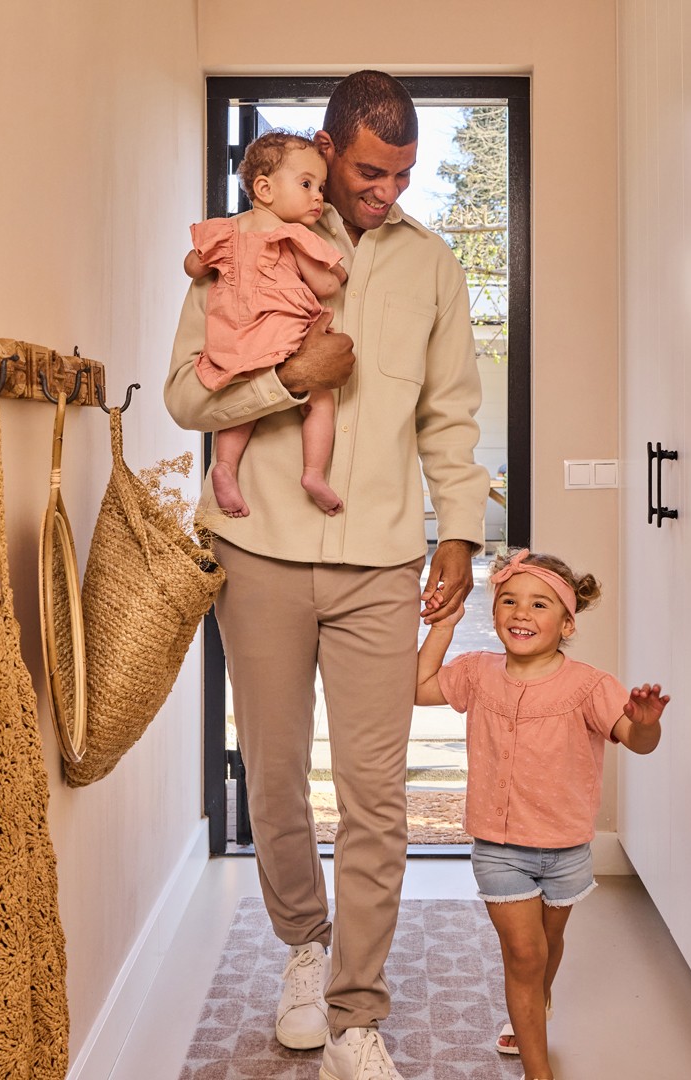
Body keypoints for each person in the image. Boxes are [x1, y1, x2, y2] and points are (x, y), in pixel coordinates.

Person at [164, 70, 491, 1080]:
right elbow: (184, 398)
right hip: (257, 552)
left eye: (403, 176)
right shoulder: (241, 245)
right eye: (368, 172)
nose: (385, 192)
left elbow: (450, 414)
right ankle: (304, 947)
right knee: (273, 779)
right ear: (326, 147)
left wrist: (459, 533)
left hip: (381, 562)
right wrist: (285, 381)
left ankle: (356, 1014)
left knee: (376, 795)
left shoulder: (432, 266)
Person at [415, 548, 669, 1080]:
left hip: (567, 850)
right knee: (524, 954)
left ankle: (537, 997)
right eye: (509, 601)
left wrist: (646, 723)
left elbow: (638, 742)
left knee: (547, 948)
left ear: (567, 623)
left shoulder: (591, 686)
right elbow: (415, 689)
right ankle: (538, 1070)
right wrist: (444, 627)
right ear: (494, 613)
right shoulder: (477, 672)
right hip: (499, 847)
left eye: (539, 604)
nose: (521, 613)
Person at [183, 130, 348, 517]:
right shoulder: (293, 235)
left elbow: (192, 266)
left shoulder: (227, 231)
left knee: (244, 405)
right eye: (306, 184)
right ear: (265, 188)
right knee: (320, 400)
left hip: (236, 339)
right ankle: (313, 474)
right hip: (283, 338)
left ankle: (225, 467)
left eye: (321, 187)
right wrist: (338, 273)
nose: (318, 196)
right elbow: (326, 286)